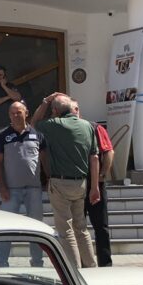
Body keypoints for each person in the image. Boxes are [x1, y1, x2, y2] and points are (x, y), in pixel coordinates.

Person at [32, 92, 100, 268]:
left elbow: (34, 122)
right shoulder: (88, 126)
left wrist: (46, 100)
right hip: (82, 183)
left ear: (55, 111)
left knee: (66, 230)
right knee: (81, 228)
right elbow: (94, 158)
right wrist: (95, 187)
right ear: (72, 108)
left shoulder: (54, 124)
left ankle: (74, 270)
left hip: (60, 182)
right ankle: (91, 266)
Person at [0, 100, 45, 267]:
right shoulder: (3, 135)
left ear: (26, 113)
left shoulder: (37, 134)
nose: (16, 115)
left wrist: (49, 179)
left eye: (19, 112)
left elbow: (44, 160)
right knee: (6, 227)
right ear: (9, 115)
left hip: (34, 189)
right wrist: (1, 186)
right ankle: (1, 262)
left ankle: (37, 262)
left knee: (36, 228)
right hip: (11, 190)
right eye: (13, 113)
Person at [71, 102, 115, 267]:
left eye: (75, 109)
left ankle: (105, 264)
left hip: (95, 182)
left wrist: (102, 175)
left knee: (101, 226)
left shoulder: (95, 128)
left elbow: (109, 151)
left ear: (78, 110)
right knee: (78, 227)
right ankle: (82, 263)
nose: (72, 112)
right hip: (75, 184)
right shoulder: (63, 129)